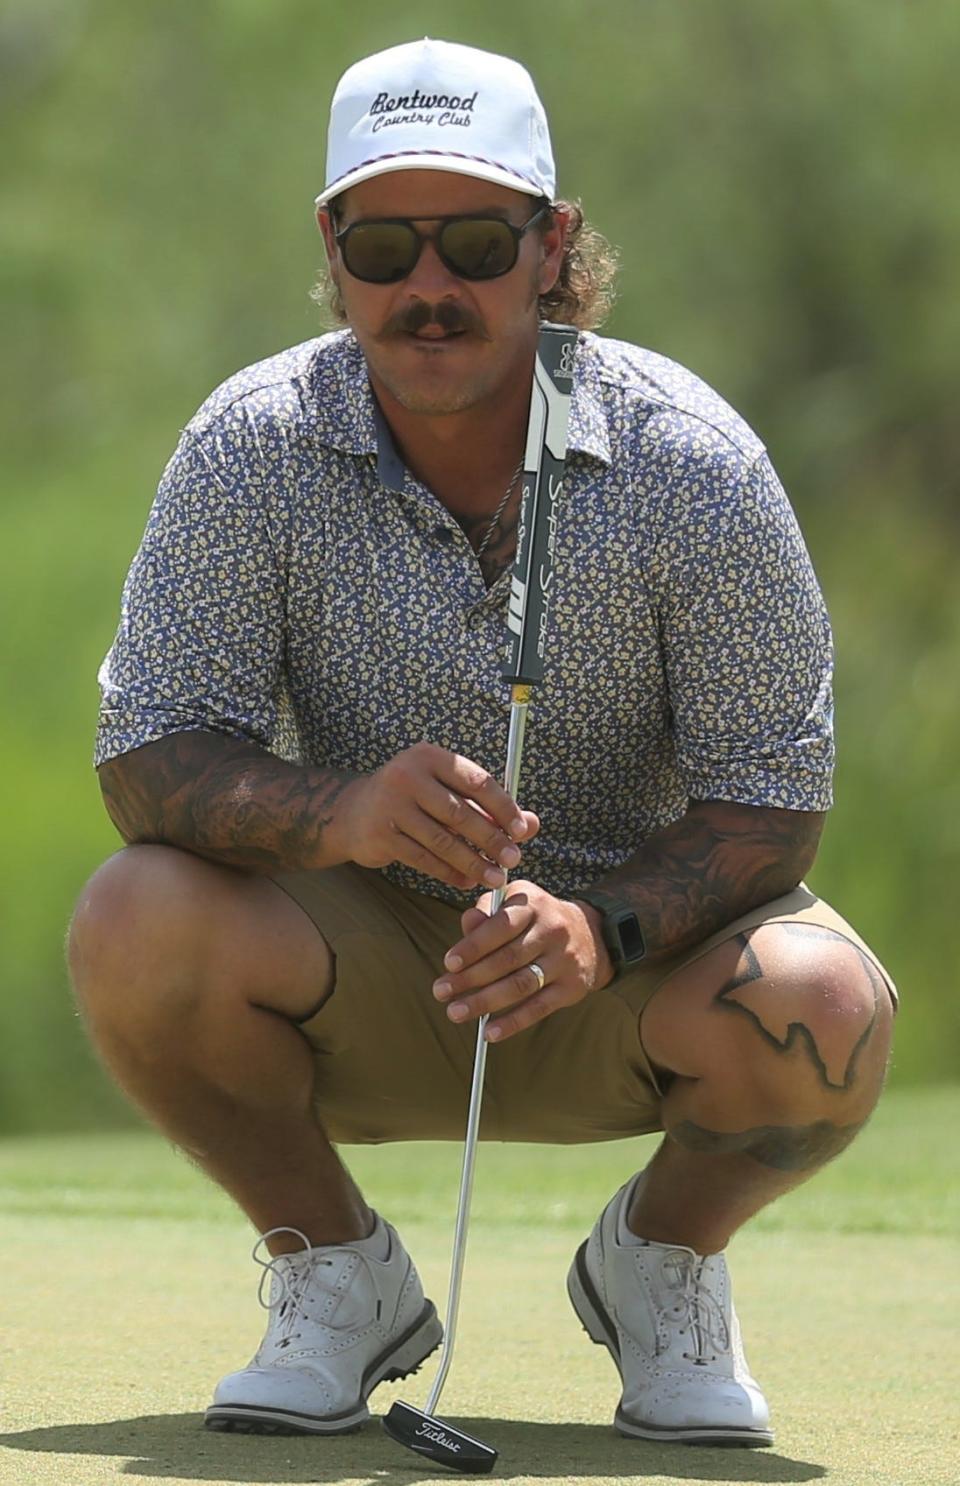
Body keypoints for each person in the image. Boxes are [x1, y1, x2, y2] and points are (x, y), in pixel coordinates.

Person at [68, 37, 896, 1449]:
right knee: (130, 917)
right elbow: (145, 752)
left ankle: (661, 1260)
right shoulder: (248, 445)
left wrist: (602, 924)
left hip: (628, 978)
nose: (427, 287)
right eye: (385, 244)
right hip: (362, 967)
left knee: (826, 1008)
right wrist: (332, 814)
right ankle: (335, 1270)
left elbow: (774, 803)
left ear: (552, 246)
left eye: (473, 241)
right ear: (332, 249)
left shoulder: (693, 461)